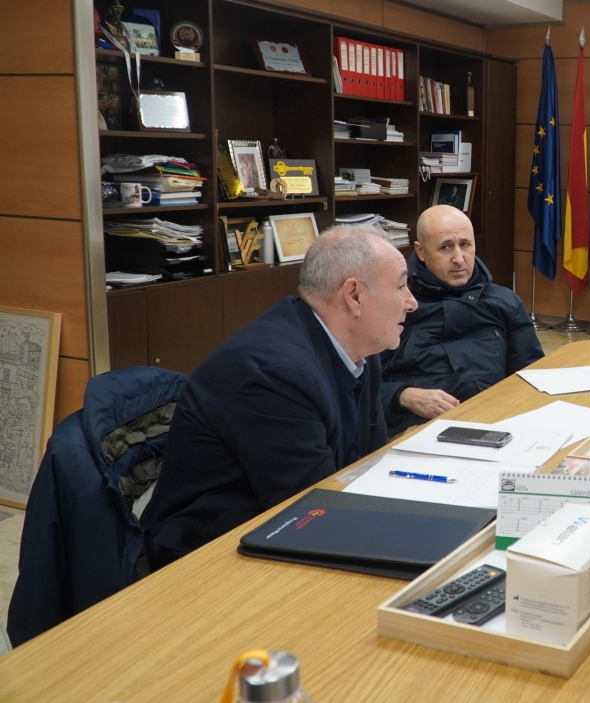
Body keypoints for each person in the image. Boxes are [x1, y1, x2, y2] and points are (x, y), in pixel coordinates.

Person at [141, 226, 417, 568]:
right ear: (354, 296)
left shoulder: (363, 351)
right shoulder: (277, 375)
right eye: (401, 285)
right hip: (207, 555)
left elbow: (368, 467)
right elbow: (311, 514)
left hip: (284, 526)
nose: (411, 302)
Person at [379, 205, 543, 434]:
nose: (458, 258)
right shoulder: (395, 304)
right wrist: (402, 395)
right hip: (418, 427)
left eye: (465, 245)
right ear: (421, 251)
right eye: (445, 247)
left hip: (497, 420)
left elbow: (532, 374)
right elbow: (357, 388)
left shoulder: (504, 301)